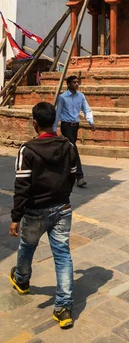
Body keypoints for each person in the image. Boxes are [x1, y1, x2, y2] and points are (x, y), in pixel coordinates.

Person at [9, 101, 77, 329]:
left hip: (35, 210)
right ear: (55, 122)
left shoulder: (27, 150)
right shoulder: (68, 145)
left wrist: (16, 217)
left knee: (27, 247)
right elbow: (74, 175)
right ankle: (64, 308)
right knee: (62, 255)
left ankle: (22, 280)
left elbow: (22, 187)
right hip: (62, 208)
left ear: (35, 123)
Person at [54, 75, 95, 187]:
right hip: (66, 126)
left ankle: (61, 171)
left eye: (77, 82)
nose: (77, 84)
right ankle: (79, 176)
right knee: (74, 149)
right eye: (74, 82)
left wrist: (91, 122)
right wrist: (53, 129)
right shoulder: (63, 97)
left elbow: (86, 109)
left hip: (75, 126)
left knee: (68, 150)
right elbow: (58, 113)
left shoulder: (80, 96)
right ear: (69, 84)